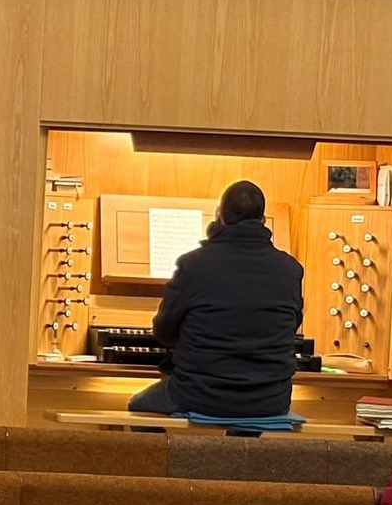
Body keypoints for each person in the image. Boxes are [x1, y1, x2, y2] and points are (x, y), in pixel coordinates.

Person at [129, 180, 305, 419]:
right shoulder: (290, 269)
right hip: (270, 400)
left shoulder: (194, 265)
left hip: (199, 394)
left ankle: (175, 446)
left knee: (137, 407)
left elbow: (164, 331)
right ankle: (240, 443)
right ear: (263, 220)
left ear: (219, 214)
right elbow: (292, 326)